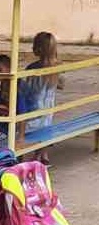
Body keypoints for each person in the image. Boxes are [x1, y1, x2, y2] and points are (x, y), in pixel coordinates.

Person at [20, 32, 65, 164]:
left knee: (29, 127)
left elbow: (28, 89)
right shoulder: (57, 66)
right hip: (48, 105)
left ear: (38, 49)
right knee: (45, 126)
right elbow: (61, 85)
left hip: (34, 104)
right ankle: (43, 155)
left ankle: (33, 154)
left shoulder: (32, 67)